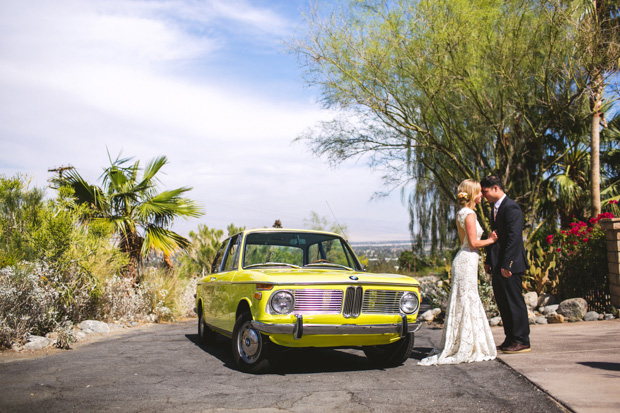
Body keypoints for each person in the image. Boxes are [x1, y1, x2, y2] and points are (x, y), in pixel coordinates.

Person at [419, 179, 498, 366]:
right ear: (472, 195)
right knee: (467, 298)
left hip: (465, 259)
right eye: (479, 192)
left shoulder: (462, 213)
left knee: (465, 298)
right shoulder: (469, 214)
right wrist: (491, 240)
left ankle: (464, 341)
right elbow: (473, 243)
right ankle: (466, 343)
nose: (482, 195)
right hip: (467, 259)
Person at [480, 175, 531, 354]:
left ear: (495, 188)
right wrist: (488, 261)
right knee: (503, 303)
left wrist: (507, 264)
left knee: (514, 302)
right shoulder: (495, 208)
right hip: (498, 264)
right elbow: (495, 238)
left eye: (485, 192)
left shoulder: (512, 208)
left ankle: (522, 340)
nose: (483, 196)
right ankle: (510, 338)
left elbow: (513, 239)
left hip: (510, 265)